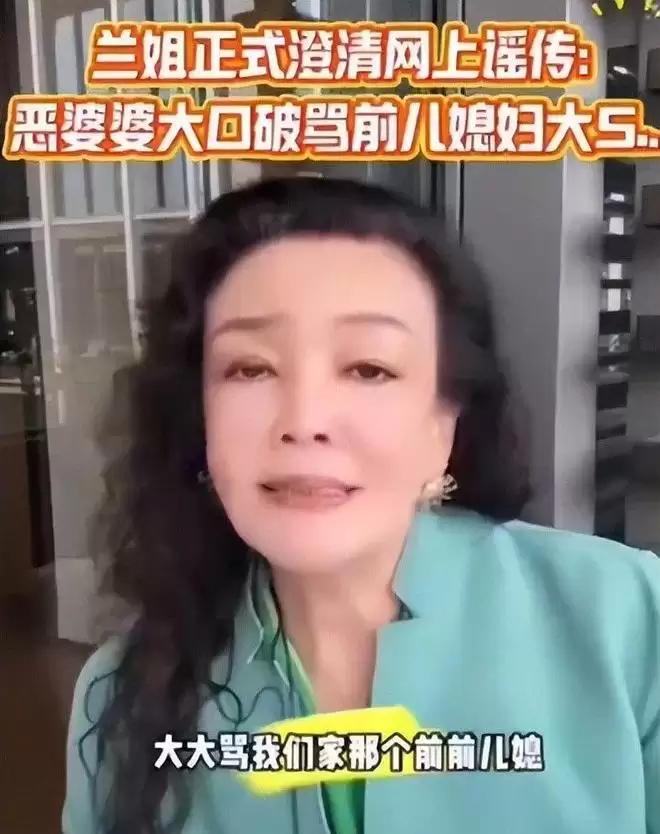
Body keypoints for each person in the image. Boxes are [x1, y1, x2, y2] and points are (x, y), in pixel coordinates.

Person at [62, 175, 660, 834]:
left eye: (369, 369)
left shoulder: (628, 619)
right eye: (250, 368)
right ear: (199, 419)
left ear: (443, 425)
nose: (305, 421)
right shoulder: (118, 693)